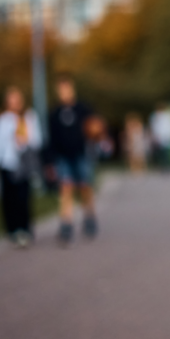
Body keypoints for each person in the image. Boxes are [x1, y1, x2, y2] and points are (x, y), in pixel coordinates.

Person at [0, 86, 42, 248]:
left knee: (23, 198)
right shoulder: (1, 118)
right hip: (6, 163)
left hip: (23, 164)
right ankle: (12, 230)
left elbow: (37, 140)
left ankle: (25, 229)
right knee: (8, 199)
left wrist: (25, 140)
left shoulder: (29, 117)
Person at [48, 75, 98, 245]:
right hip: (63, 156)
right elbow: (52, 139)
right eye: (61, 89)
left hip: (81, 154)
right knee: (66, 188)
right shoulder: (54, 113)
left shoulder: (83, 109)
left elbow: (94, 127)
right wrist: (50, 161)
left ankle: (89, 217)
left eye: (66, 88)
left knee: (85, 187)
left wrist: (96, 132)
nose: (64, 92)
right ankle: (66, 223)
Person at [149, 103, 170, 172]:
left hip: (168, 135)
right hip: (160, 136)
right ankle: (164, 165)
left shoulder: (168, 115)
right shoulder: (155, 116)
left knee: (168, 151)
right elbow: (154, 126)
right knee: (163, 152)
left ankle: (169, 164)